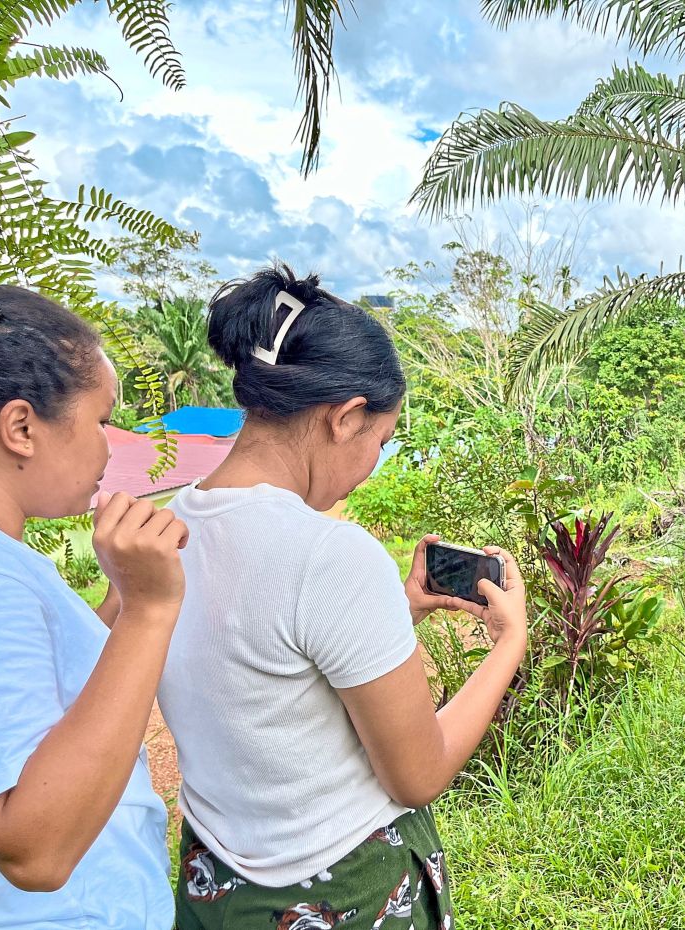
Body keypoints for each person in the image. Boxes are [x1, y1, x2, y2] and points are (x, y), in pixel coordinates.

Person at [157, 264, 528, 930]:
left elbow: (261, 670)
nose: (373, 463)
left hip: (218, 884)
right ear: (346, 416)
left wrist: (398, 610)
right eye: (381, 442)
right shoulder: (329, 552)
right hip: (341, 896)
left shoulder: (170, 524)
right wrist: (510, 645)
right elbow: (417, 775)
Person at [0, 268, 187, 927]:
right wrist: (148, 611)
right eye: (102, 420)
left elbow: (46, 713)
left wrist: (119, 595)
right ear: (21, 427)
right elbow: (34, 848)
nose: (112, 448)